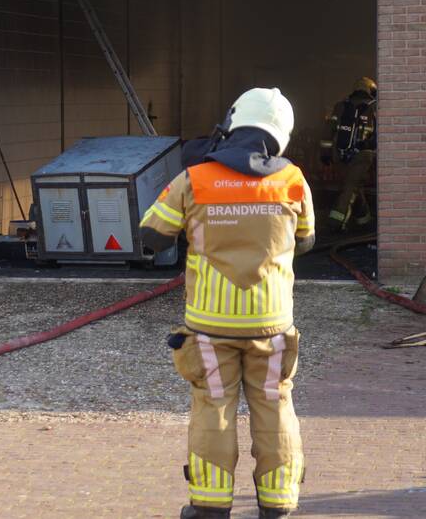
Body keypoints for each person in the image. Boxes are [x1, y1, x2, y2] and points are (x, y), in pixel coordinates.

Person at [140, 88, 315, 519]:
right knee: (274, 402)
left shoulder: (196, 179)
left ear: (234, 123)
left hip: (210, 326)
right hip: (272, 324)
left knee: (213, 406)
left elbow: (151, 234)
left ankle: (211, 506)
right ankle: (278, 503)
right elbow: (307, 241)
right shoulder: (293, 179)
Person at [319, 77, 377, 232]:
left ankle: (358, 220)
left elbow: (328, 130)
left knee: (350, 187)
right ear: (370, 89)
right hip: (364, 155)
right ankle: (336, 224)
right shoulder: (376, 108)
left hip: (340, 154)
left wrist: (325, 153)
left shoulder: (340, 106)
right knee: (351, 188)